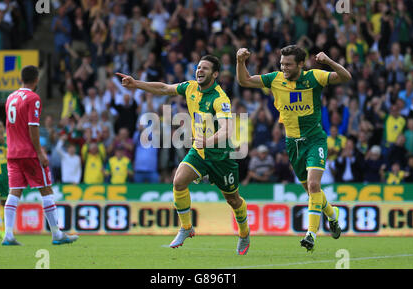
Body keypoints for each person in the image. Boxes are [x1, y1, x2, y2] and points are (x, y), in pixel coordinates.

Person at [116, 54, 251, 255]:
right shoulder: (190, 87)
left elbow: (227, 130)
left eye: (205, 68)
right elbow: (164, 88)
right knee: (178, 182)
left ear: (215, 74)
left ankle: (244, 232)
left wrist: (208, 140)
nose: (199, 70)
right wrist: (136, 84)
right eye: (198, 67)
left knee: (233, 199)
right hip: (199, 152)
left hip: (222, 156)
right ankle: (187, 228)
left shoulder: (219, 98)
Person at [236, 45, 352, 252]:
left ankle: (311, 234)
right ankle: (332, 216)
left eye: (288, 64)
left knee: (314, 185)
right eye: (281, 64)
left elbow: (346, 77)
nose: (284, 68)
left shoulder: (314, 77)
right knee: (311, 191)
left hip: (315, 139)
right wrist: (240, 61)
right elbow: (244, 80)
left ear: (300, 64)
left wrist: (328, 61)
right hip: (292, 144)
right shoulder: (275, 79)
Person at [3, 65, 78, 246]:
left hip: (12, 153)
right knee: (46, 190)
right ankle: (57, 234)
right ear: (36, 80)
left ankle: (8, 235)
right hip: (29, 153)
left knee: (14, 192)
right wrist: (39, 152)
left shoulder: (10, 97)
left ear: (22, 79)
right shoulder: (33, 98)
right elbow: (32, 126)